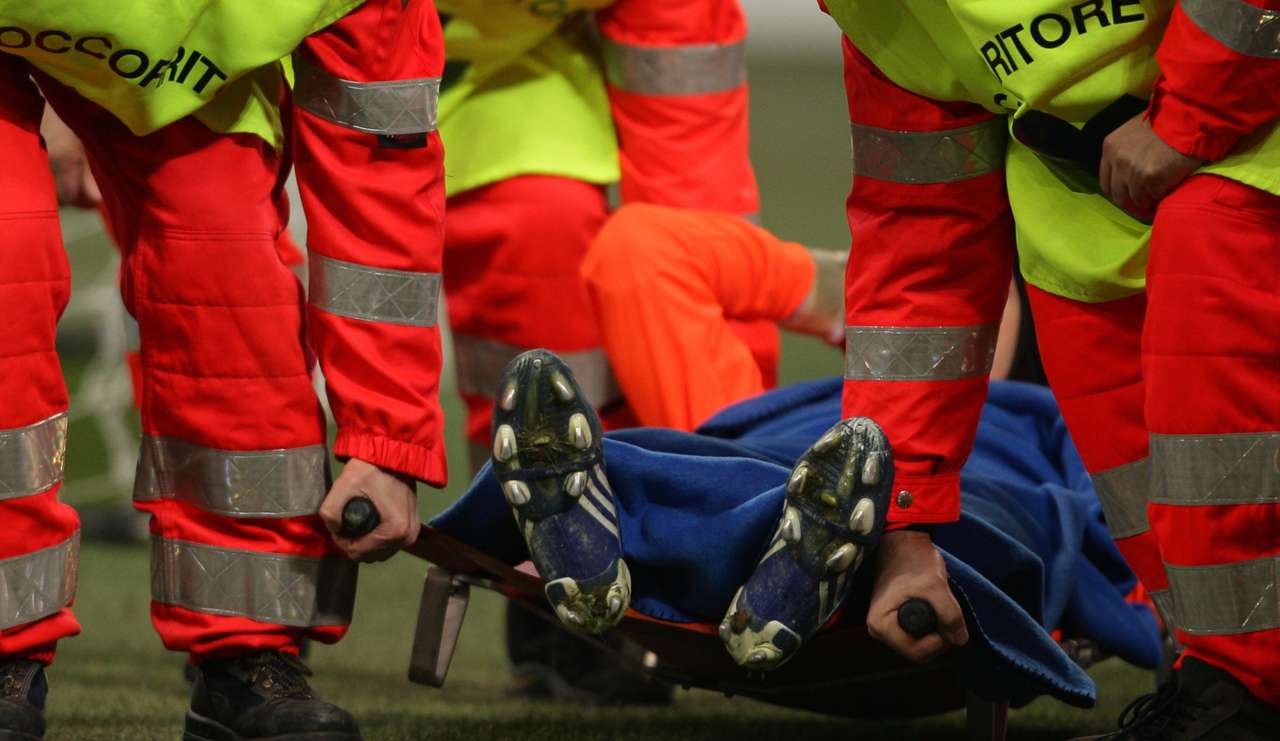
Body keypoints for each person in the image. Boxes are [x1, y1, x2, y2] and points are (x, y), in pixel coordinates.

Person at [813, 1, 1280, 738]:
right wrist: (900, 526)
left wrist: (1189, 117)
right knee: (1213, 596)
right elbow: (920, 250)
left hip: (1252, 139)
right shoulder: (880, 13)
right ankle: (1227, 689)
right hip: (1086, 238)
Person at [0, 1, 447, 738]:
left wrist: (386, 438)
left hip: (164, 61)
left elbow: (379, 176)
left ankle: (246, 652)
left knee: (226, 266)